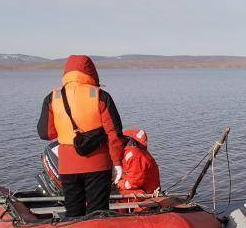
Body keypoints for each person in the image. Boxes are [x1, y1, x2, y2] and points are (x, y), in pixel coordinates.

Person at [37, 55, 124, 217]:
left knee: (74, 213)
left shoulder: (53, 98)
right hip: (98, 165)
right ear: (92, 71)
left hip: (68, 166)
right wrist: (118, 163)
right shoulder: (101, 96)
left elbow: (46, 133)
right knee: (98, 213)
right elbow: (114, 134)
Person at [119, 128, 160, 195]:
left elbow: (134, 182)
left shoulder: (135, 155)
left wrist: (119, 184)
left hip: (145, 191)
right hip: (141, 187)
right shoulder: (137, 153)